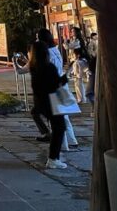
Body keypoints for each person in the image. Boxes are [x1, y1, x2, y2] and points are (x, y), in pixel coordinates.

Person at [28, 41, 68, 169]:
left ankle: (53, 156)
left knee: (58, 128)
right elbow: (55, 85)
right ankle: (53, 158)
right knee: (59, 128)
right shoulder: (49, 67)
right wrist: (64, 79)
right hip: (52, 101)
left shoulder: (33, 67)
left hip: (41, 102)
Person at [38, 29, 79, 150]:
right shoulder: (55, 50)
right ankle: (72, 140)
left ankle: (63, 144)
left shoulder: (46, 53)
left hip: (52, 86)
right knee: (64, 115)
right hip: (61, 83)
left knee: (56, 117)